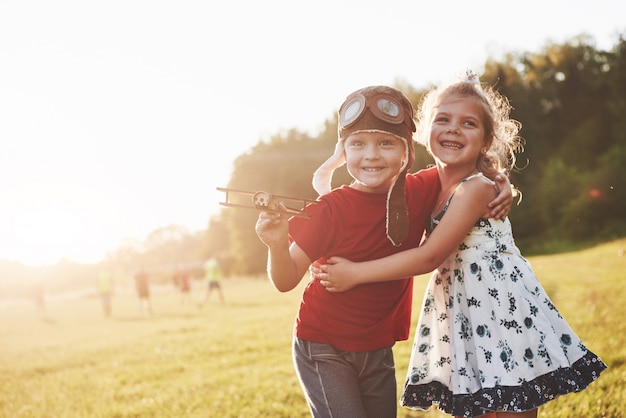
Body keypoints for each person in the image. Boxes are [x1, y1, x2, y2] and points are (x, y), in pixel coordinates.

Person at [316, 73, 607, 417]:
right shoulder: (424, 188)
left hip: (502, 313)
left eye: (468, 123)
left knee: (514, 405)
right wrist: (326, 172)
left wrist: (355, 274)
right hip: (464, 313)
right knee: (479, 407)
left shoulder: (477, 188)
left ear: (485, 140)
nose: (453, 129)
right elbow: (362, 206)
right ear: (423, 133)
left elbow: (430, 256)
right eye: (443, 120)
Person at [255, 85, 513, 418]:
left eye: (386, 143)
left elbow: (468, 168)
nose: (372, 155)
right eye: (358, 144)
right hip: (323, 345)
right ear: (344, 151)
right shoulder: (330, 209)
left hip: (377, 348)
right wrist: (276, 243)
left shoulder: (420, 190)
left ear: (406, 151)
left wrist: (500, 178)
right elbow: (285, 279)